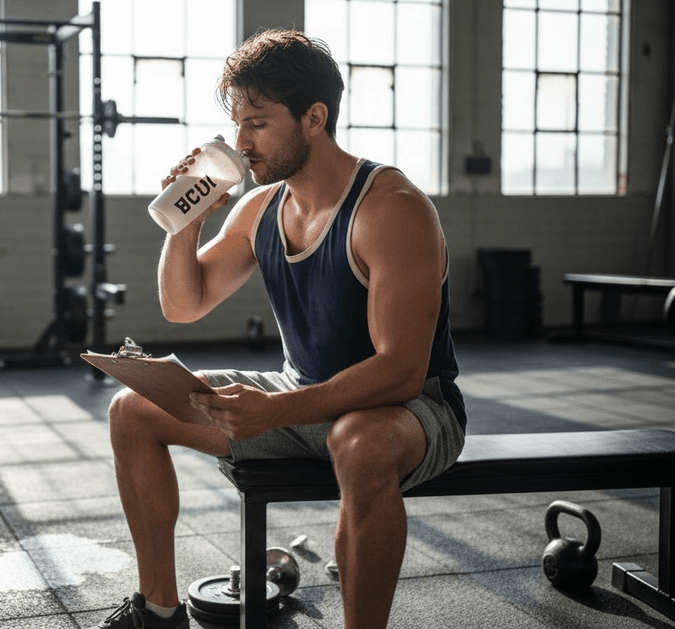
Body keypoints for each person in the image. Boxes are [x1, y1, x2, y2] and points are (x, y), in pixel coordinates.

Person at [96, 28, 466, 629]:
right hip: (303, 401)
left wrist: (275, 412)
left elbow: (402, 370)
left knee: (359, 441)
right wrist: (183, 224)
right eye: (236, 124)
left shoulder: (391, 207)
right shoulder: (259, 208)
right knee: (131, 409)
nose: (240, 144)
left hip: (413, 412)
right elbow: (183, 305)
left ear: (314, 117)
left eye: (258, 123)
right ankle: (159, 613)